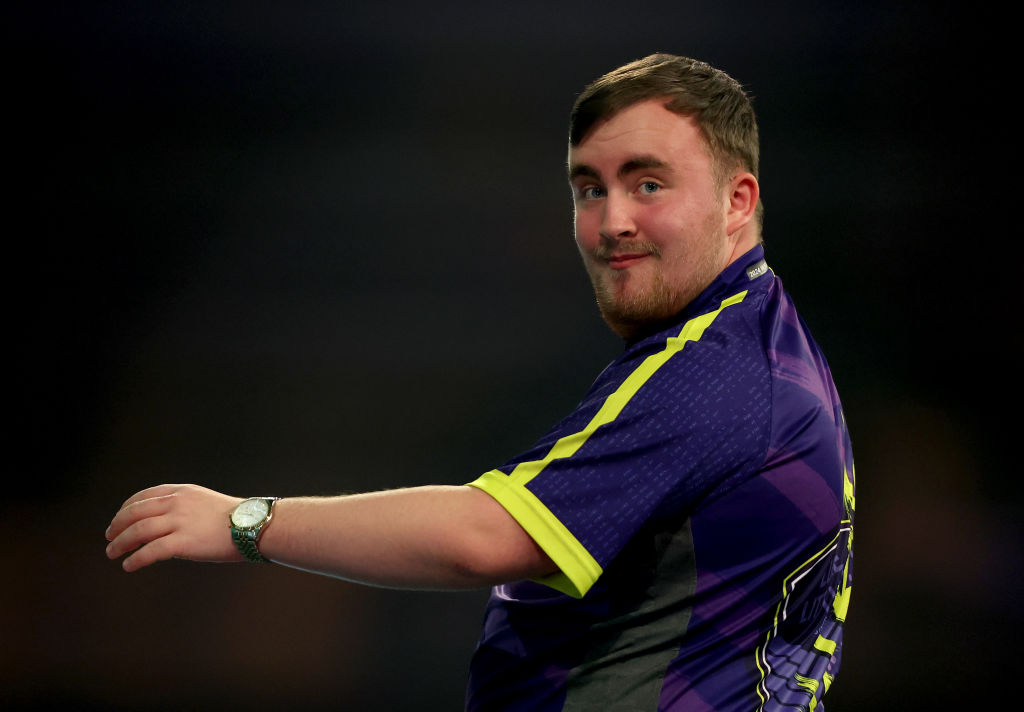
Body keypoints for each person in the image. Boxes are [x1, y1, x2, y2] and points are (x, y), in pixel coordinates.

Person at [106, 53, 855, 711]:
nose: (611, 221)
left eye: (648, 184)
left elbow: (486, 538)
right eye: (589, 189)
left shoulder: (714, 373)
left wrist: (246, 523)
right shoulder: (764, 343)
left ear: (738, 201)